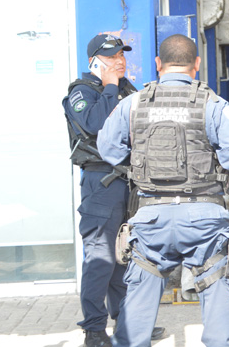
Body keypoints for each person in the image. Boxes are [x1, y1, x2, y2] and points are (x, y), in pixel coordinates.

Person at [97, 34, 229, 347]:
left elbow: (108, 148)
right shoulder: (212, 104)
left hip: (151, 216)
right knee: (215, 286)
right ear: (197, 64)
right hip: (204, 216)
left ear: (158, 64)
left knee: (139, 296)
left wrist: (141, 160)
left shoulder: (133, 103)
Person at [62, 33, 165, 347]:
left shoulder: (125, 89)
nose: (120, 61)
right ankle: (94, 330)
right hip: (102, 185)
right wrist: (109, 86)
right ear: (94, 62)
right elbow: (95, 124)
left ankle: (125, 322)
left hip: (129, 184)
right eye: (111, 56)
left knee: (125, 257)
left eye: (122, 55)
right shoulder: (82, 92)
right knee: (100, 259)